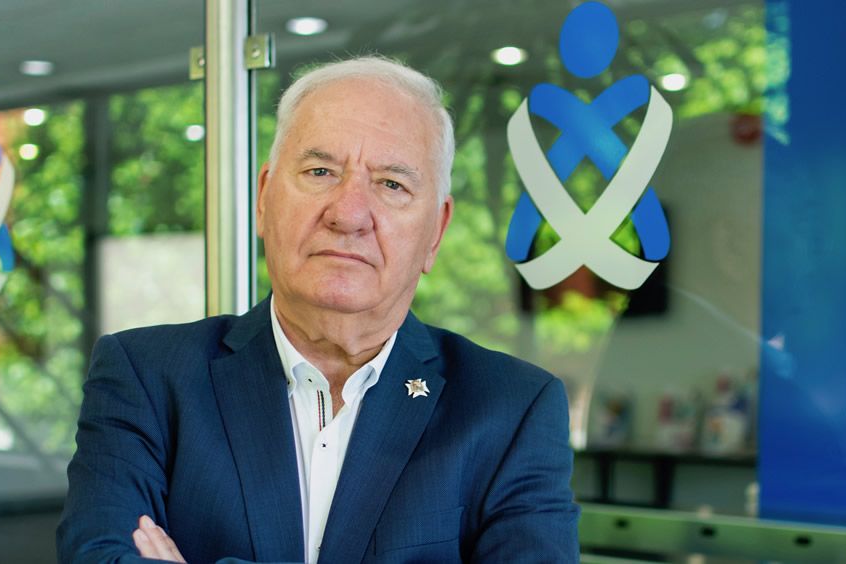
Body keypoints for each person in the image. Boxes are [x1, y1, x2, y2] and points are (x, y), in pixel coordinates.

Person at [57, 56, 579, 564]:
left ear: (436, 232)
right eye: (320, 170)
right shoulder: (147, 377)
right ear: (264, 198)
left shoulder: (510, 408)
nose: (348, 214)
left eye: (391, 184)